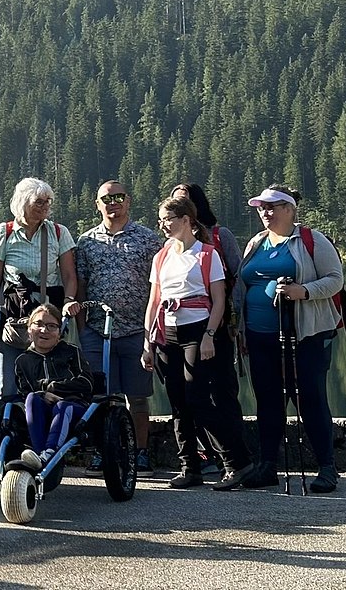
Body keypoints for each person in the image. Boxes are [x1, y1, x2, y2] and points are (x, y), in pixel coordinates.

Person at [238, 185, 344, 493]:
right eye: (261, 208)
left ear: (289, 209)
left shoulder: (311, 241)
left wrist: (304, 291)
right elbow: (244, 284)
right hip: (260, 336)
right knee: (268, 401)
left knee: (309, 398)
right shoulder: (256, 243)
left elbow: (335, 279)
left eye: (272, 207)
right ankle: (267, 466)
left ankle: (327, 468)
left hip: (305, 336)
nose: (266, 213)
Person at [142, 196, 253, 490]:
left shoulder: (207, 254)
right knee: (178, 401)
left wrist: (209, 335)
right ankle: (189, 467)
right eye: (160, 220)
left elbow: (218, 300)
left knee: (197, 399)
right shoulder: (162, 256)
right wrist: (148, 342)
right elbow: (154, 301)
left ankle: (235, 463)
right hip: (168, 332)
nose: (162, 225)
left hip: (198, 330)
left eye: (168, 219)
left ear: (187, 220)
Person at [75, 180, 163, 478]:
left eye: (119, 197)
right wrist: (82, 328)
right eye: (106, 198)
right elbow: (81, 285)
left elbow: (159, 286)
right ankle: (103, 451)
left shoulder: (149, 240)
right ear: (97, 204)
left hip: (138, 331)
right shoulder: (86, 241)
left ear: (129, 201)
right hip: (98, 332)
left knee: (138, 398)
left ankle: (140, 453)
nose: (113, 202)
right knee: (100, 397)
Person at [0, 178, 80, 417]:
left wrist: (69, 299)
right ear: (22, 202)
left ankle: (45, 444)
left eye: (48, 202)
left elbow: (70, 275)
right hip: (13, 320)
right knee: (6, 387)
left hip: (48, 319)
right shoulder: (4, 232)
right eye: (38, 201)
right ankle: (0, 445)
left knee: (50, 384)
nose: (44, 206)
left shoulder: (59, 232)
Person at [170, 181, 244, 474]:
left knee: (223, 392)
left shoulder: (219, 236)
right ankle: (208, 456)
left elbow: (237, 278)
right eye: (174, 202)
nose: (179, 207)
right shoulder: (170, 248)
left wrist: (234, 320)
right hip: (182, 330)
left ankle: (237, 455)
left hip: (220, 327)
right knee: (190, 395)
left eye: (184, 201)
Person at [15, 303, 94, 470]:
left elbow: (86, 383)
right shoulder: (23, 361)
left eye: (51, 326)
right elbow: (25, 391)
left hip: (75, 408)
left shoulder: (71, 352)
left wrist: (51, 388)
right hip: (41, 410)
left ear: (59, 333)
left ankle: (48, 454)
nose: (44, 330)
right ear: (29, 329)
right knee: (31, 398)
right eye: (39, 324)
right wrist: (43, 395)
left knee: (62, 405)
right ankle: (38, 453)